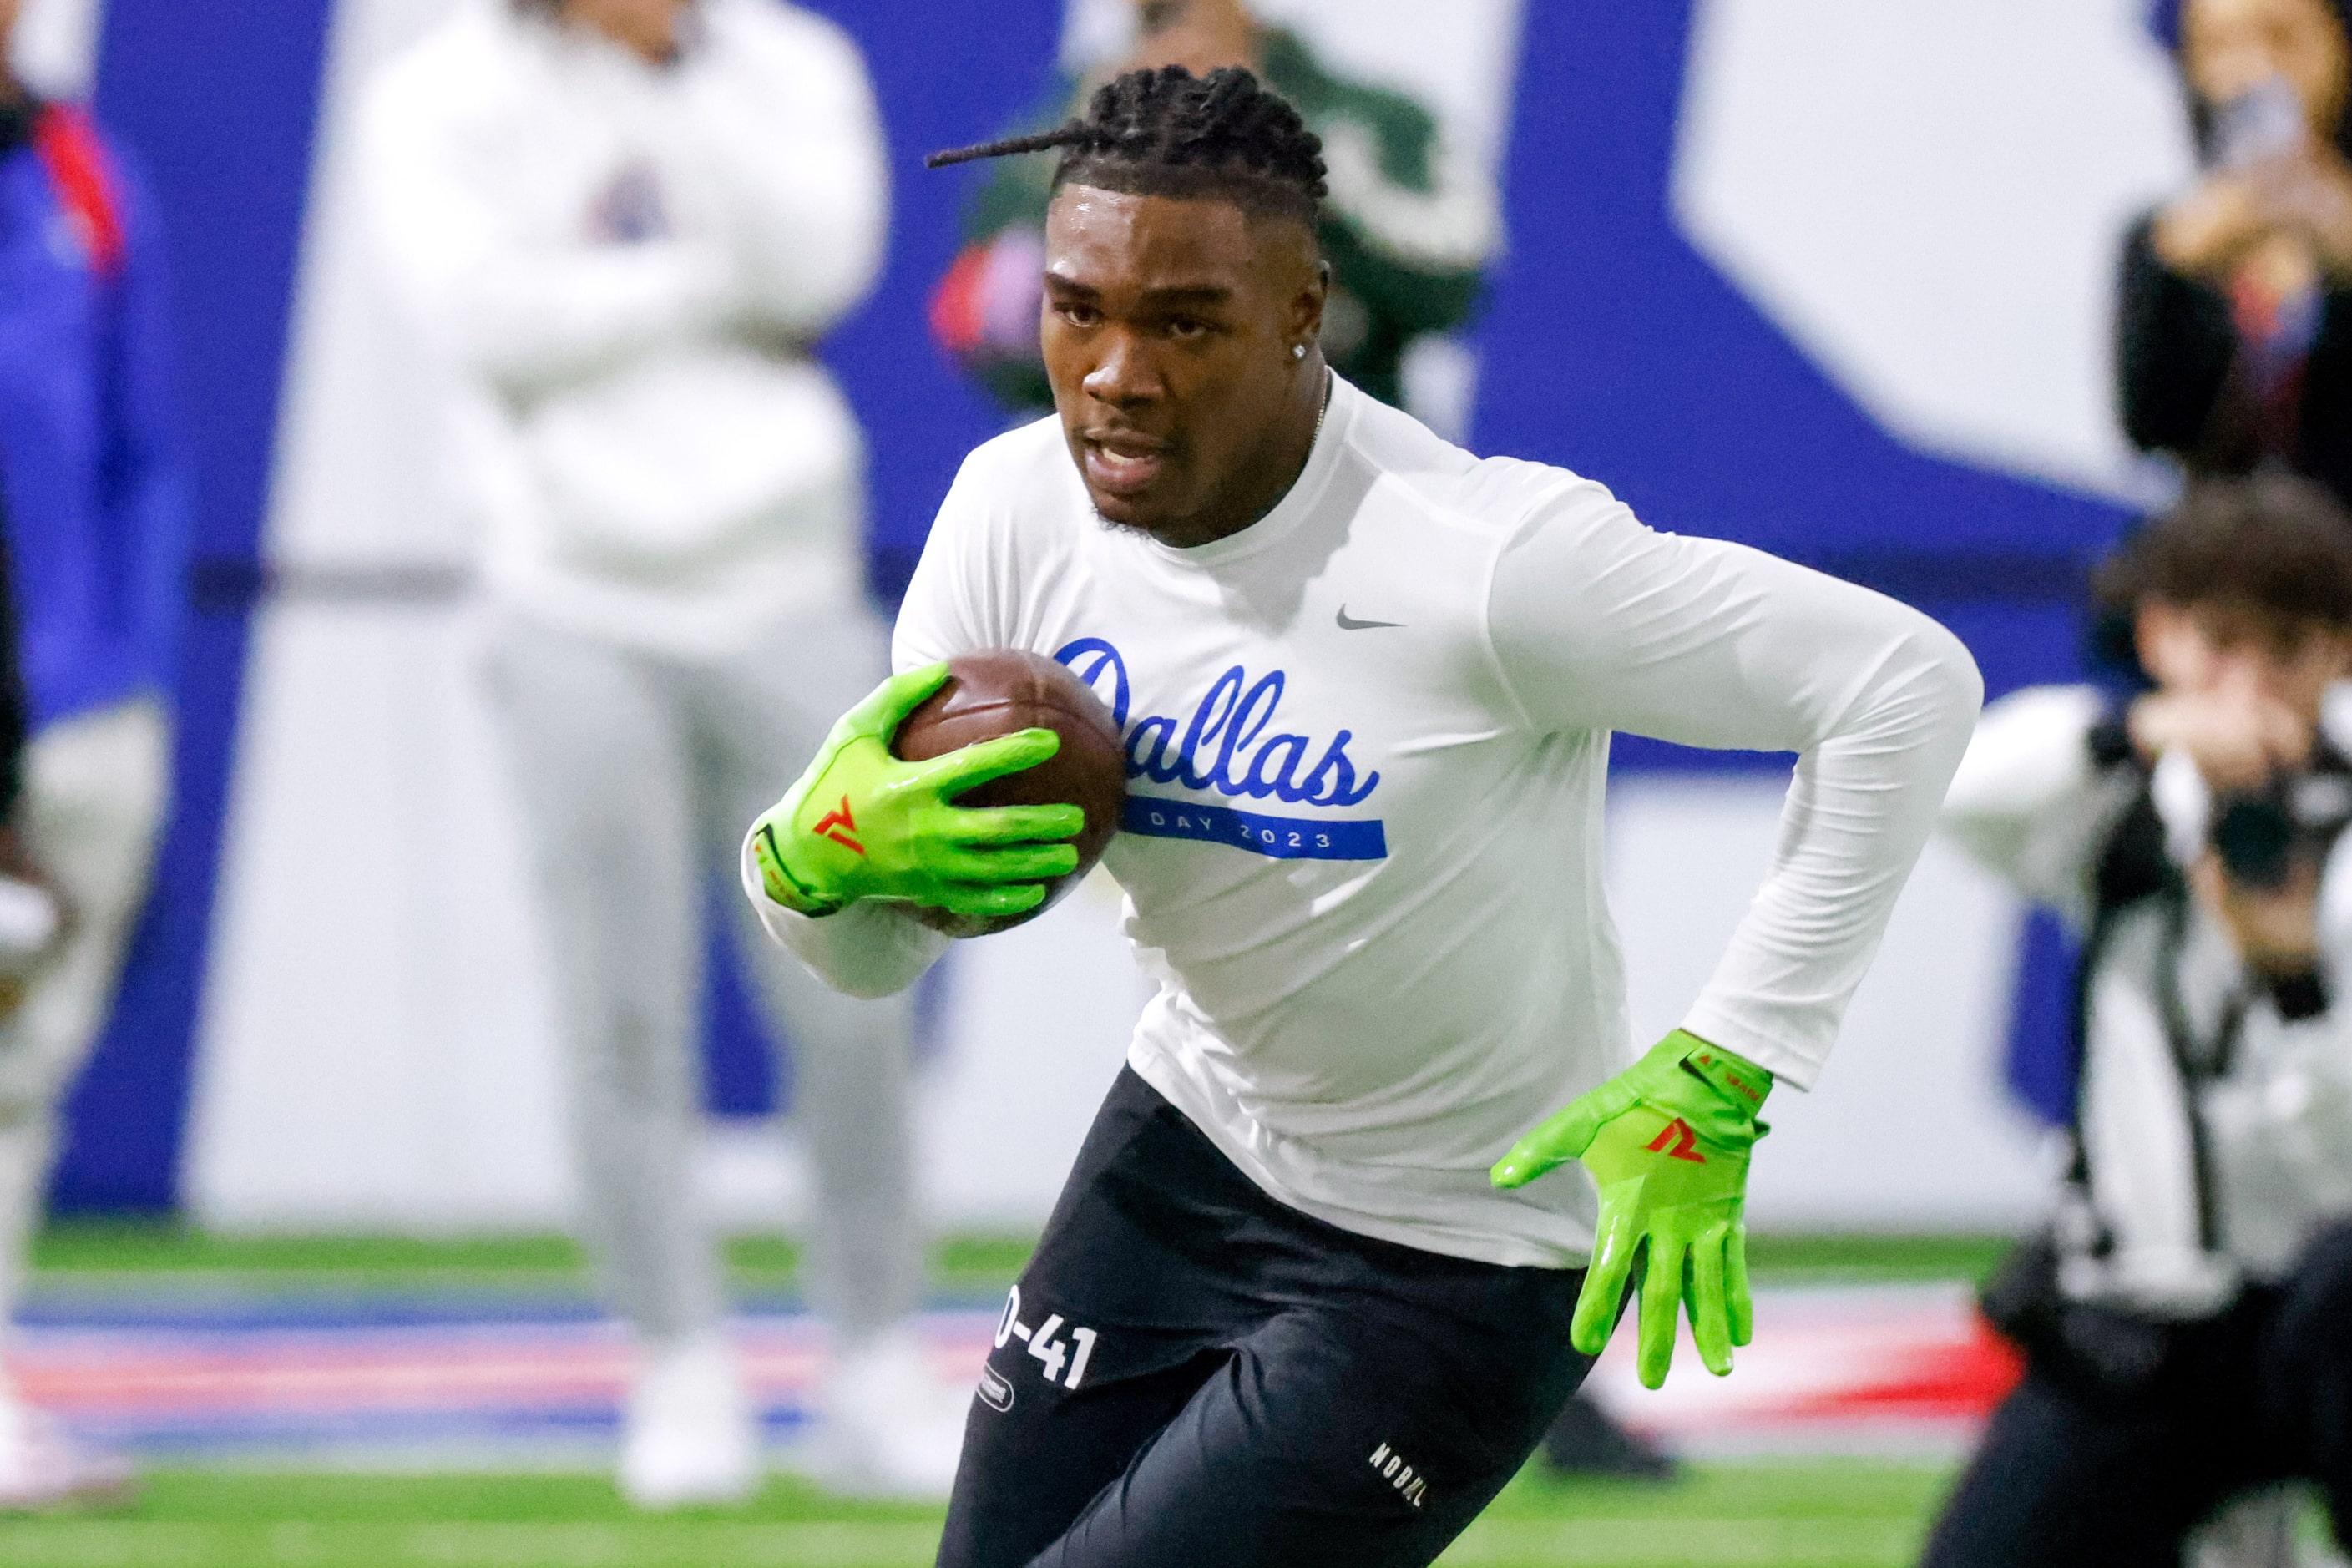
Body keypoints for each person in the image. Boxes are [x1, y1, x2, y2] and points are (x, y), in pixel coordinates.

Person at [741, 67, 1980, 1566]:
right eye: (1077, 309)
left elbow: (1904, 684)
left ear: (1303, 310)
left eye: (1183, 320)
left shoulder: (1487, 562)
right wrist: (800, 868)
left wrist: (1733, 1062)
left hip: (1452, 1259)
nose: (1115, 372)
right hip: (1186, 1147)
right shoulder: (1012, 515)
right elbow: (877, 961)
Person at [359, 0, 958, 1506]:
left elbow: (823, 263)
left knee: (852, 988)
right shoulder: (439, 93)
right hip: (564, 588)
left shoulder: (784, 60)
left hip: (785, 581)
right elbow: (475, 318)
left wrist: (666, 87)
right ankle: (676, 1361)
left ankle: (874, 1356)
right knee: (616, 1007)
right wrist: (705, 284)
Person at [1927, 474, 2352, 1566]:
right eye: (2217, 643)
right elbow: (1962, 788)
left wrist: (2294, 975)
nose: (2247, 686)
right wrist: (2144, 734)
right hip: (2148, 1323)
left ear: (2341, 651)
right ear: (2158, 634)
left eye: (2288, 647)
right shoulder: (2120, 804)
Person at [0, 0, 187, 1512]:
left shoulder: (81, 174)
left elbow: (144, 446)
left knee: (23, 1068)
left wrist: (125, 674)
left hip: (76, 694)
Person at [930, 0, 1494, 421]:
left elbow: (1452, 283)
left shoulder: (1373, 121)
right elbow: (976, 319)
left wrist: (1275, 145)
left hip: (1332, 470)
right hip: (1121, 487)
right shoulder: (1062, 120)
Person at [2122, 0, 2352, 508]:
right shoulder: (2164, 241)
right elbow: (2152, 428)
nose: (2253, 71)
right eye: (2218, 46)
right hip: (2229, 560)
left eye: (2283, 39)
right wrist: (2180, 271)